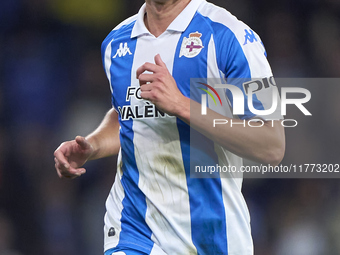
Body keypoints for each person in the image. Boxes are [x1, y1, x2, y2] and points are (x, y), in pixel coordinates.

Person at [54, 0, 285, 254]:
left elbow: (271, 144)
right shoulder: (116, 42)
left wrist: (182, 105)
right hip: (134, 229)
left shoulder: (232, 37)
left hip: (214, 236)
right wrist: (93, 145)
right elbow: (127, 116)